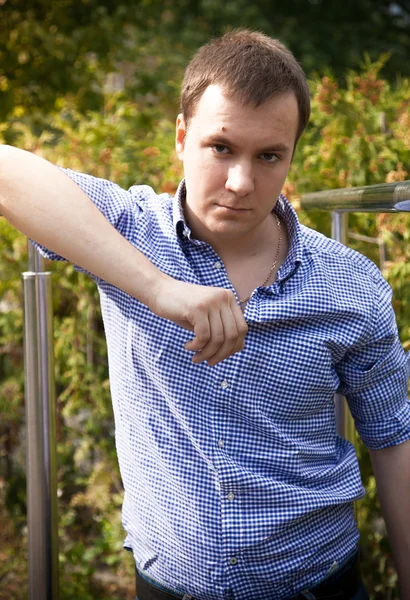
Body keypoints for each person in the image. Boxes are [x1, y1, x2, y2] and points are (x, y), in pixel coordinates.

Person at [0, 29, 409, 600]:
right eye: (221, 147)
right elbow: (5, 170)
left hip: (317, 582)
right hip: (167, 585)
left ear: (292, 154)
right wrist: (156, 288)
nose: (242, 183)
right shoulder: (127, 232)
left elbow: (394, 440)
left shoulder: (351, 285)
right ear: (181, 137)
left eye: (269, 156)